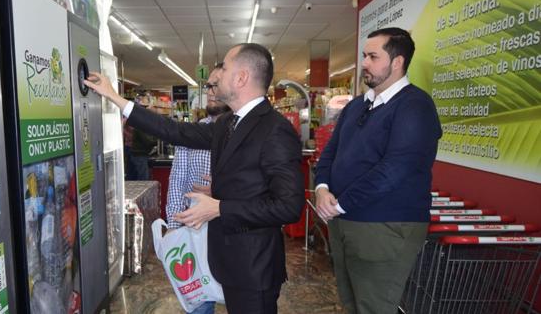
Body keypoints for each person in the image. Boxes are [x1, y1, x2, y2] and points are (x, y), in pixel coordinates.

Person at [85, 43, 305, 314]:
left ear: (241, 77)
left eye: (224, 67)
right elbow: (175, 131)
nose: (217, 75)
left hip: (254, 266)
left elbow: (289, 205)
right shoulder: (227, 123)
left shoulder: (275, 130)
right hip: (228, 260)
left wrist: (219, 206)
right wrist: (117, 99)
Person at [314, 27, 442, 314]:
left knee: (373, 306)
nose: (364, 63)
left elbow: (396, 168)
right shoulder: (358, 105)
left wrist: (341, 203)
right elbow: (330, 153)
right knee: (353, 303)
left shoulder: (415, 106)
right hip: (346, 221)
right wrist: (322, 189)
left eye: (373, 56)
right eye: (364, 56)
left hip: (384, 225)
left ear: (397, 62)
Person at [166, 65, 230, 314]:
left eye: (217, 85)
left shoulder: (244, 133)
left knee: (237, 295)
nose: (211, 93)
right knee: (199, 299)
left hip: (234, 225)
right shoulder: (193, 132)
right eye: (209, 87)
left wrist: (221, 190)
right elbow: (178, 179)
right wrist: (172, 226)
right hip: (195, 227)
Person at [129, 95, 158, 180]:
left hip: (140, 154)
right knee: (143, 178)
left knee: (142, 176)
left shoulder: (143, 123)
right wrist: (159, 140)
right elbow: (147, 141)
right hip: (139, 155)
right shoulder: (141, 124)